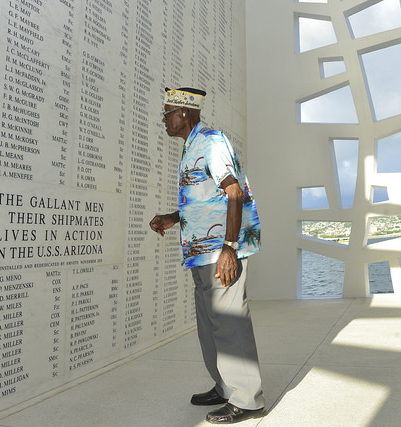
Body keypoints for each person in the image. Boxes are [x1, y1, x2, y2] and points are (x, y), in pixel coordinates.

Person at [149, 87, 265, 424]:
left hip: (220, 252)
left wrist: (229, 247)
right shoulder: (192, 146)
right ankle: (226, 387)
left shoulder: (211, 141)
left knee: (230, 323)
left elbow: (233, 192)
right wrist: (174, 218)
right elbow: (207, 198)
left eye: (168, 113)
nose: (164, 120)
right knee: (210, 325)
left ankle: (248, 399)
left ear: (184, 114)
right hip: (201, 254)